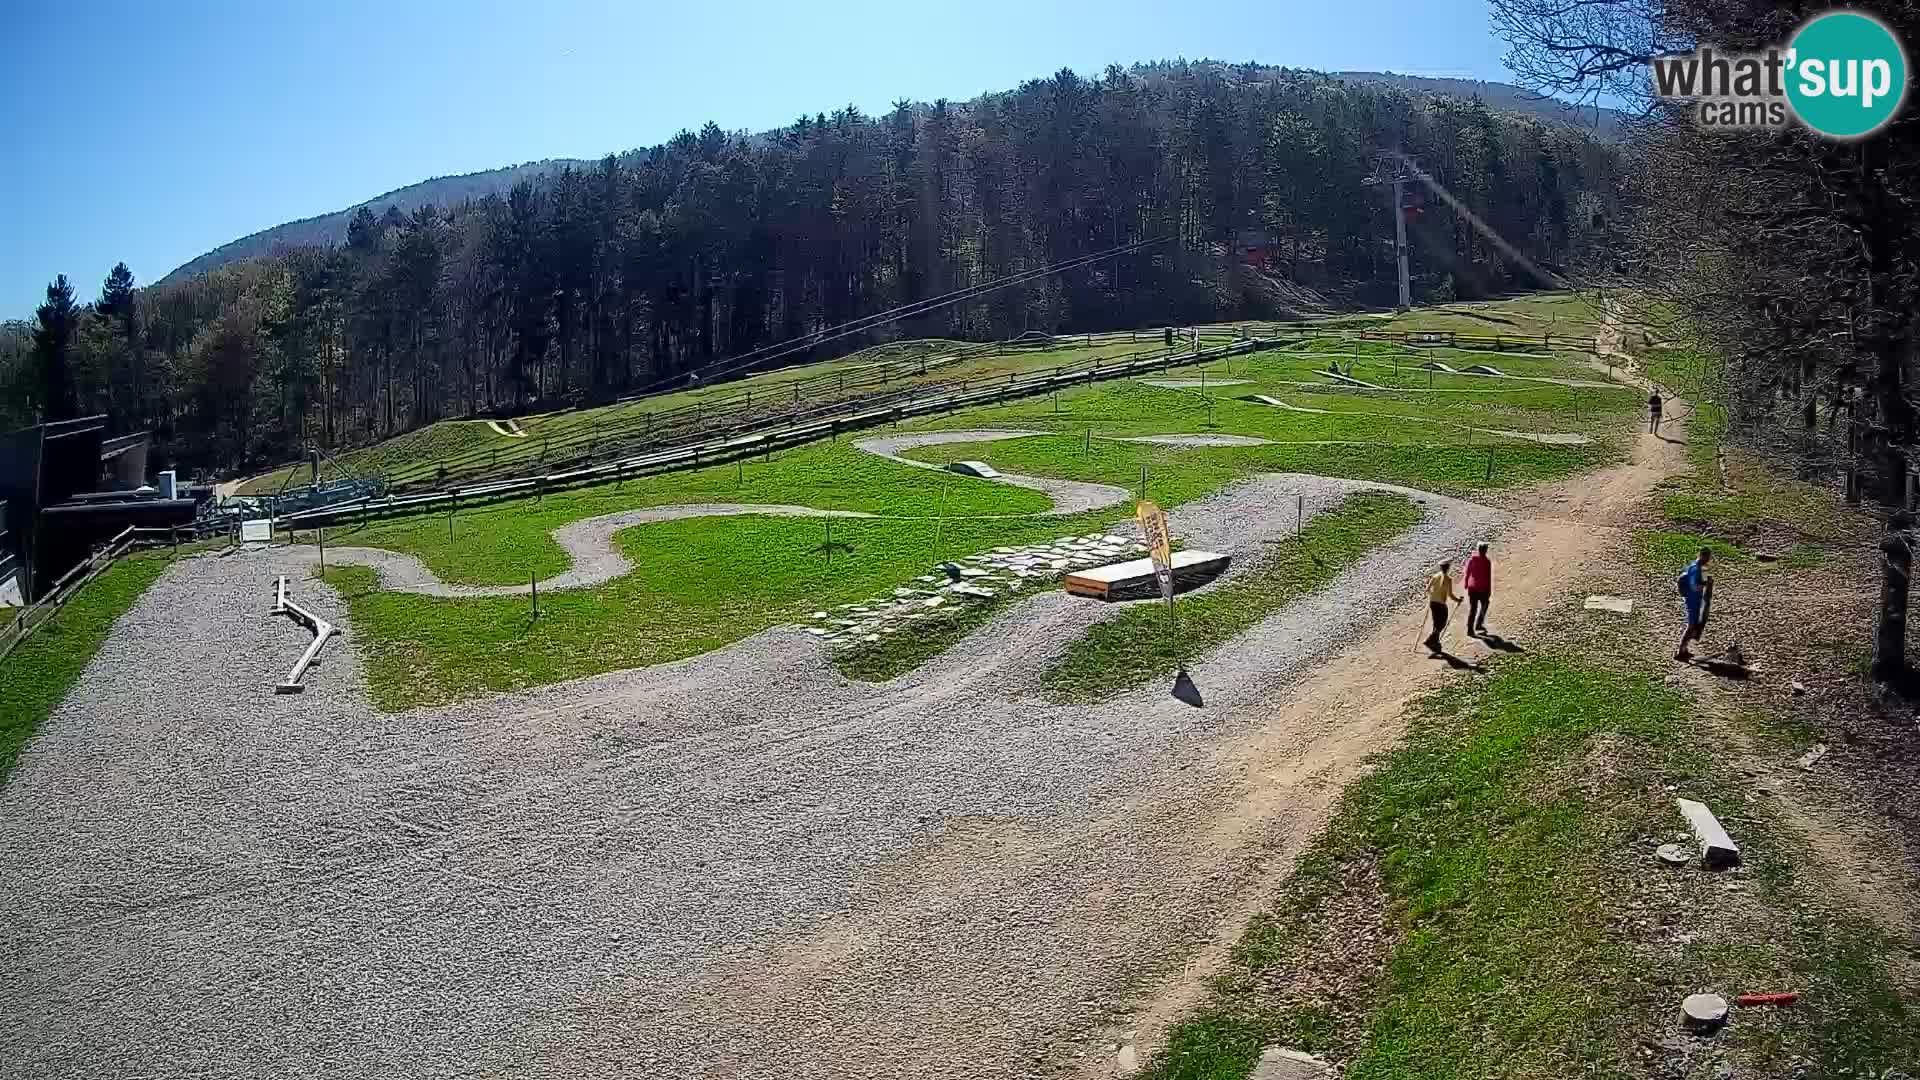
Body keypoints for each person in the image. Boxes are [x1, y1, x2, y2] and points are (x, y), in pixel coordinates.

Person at [1676, 546, 1714, 660]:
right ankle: (1680, 651)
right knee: (1691, 625)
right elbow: (1694, 586)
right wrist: (1706, 585)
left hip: (1695, 600)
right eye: (1707, 557)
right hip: (1692, 601)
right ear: (1702, 555)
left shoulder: (1695, 567)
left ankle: (1684, 649)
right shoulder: (1695, 568)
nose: (1708, 560)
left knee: (1693, 625)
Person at [1424, 560, 1464, 655]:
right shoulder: (1448, 579)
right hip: (1441, 604)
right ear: (1448, 568)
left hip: (1433, 602)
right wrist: (1458, 600)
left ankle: (1435, 642)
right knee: (1442, 622)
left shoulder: (1435, 576)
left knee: (1436, 622)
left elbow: (1427, 590)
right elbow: (1450, 595)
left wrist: (1432, 595)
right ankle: (1430, 640)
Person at [1464, 542, 1493, 636]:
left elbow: (1467, 572)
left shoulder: (1472, 559)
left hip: (1472, 587)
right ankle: (1479, 624)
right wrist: (1489, 591)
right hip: (1482, 588)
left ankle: (1470, 629)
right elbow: (1488, 577)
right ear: (1485, 550)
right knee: (1485, 604)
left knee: (1473, 608)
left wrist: (1466, 583)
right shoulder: (1487, 561)